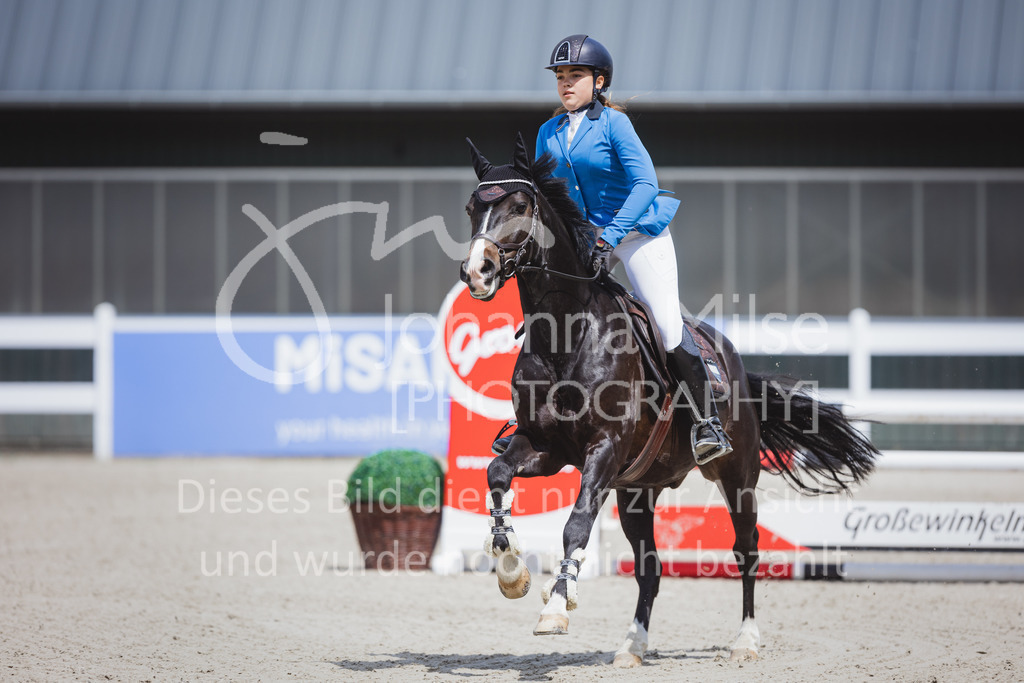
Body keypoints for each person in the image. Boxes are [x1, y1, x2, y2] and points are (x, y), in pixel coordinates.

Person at [492, 34, 732, 465]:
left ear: (599, 81)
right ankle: (531, 420)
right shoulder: (548, 133)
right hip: (586, 240)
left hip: (638, 232)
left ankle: (704, 421)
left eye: (576, 76)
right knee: (550, 314)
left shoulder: (614, 125)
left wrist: (611, 236)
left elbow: (646, 185)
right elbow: (548, 198)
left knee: (664, 322)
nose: (566, 84)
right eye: (560, 77)